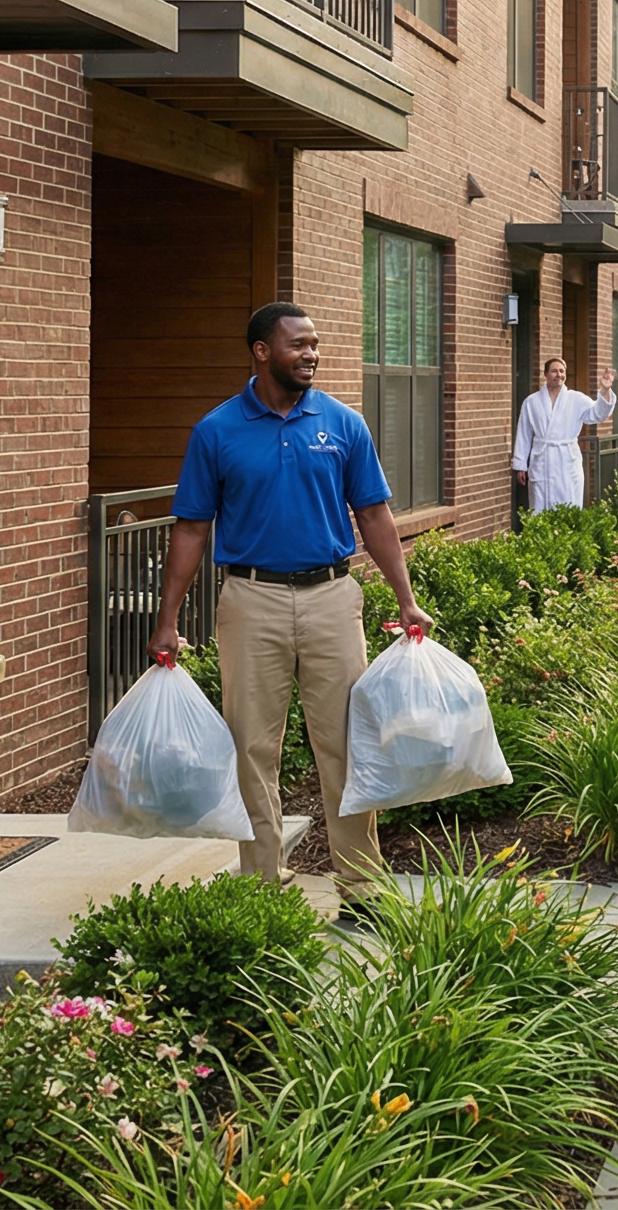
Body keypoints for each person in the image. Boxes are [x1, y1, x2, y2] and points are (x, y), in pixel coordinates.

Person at [151, 302, 427, 914]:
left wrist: (405, 599)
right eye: (298, 344)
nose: (311, 354)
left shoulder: (344, 424)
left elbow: (375, 516)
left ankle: (362, 891)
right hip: (251, 600)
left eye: (315, 344)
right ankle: (263, 890)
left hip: (333, 597)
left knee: (347, 746)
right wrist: (167, 618)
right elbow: (192, 528)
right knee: (252, 747)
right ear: (261, 351)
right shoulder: (217, 431)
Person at [512, 358, 618, 513]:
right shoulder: (531, 402)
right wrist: (521, 465)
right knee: (540, 508)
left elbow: (597, 414)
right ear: (545, 374)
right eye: (554, 371)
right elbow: (524, 434)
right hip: (542, 460)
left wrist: (605, 390)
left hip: (566, 461)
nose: (558, 375)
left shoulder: (576, 399)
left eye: (562, 371)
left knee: (568, 504)